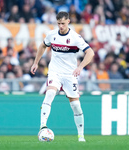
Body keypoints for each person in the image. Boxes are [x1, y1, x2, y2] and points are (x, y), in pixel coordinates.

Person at [31, 11, 94, 142]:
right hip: (55, 72)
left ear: (68, 22)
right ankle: (43, 126)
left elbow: (90, 53)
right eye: (59, 23)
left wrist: (80, 67)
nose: (61, 26)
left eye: (63, 24)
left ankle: (81, 136)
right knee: (49, 94)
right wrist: (35, 62)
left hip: (70, 74)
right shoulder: (52, 35)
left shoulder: (75, 37)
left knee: (76, 105)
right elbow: (43, 46)